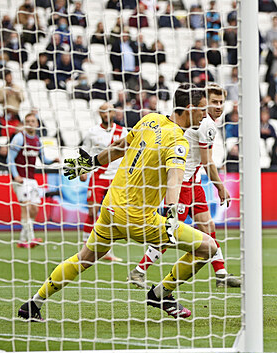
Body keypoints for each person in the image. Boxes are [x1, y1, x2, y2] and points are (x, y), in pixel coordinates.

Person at [17, 84, 218, 321]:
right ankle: (161, 293)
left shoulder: (150, 120)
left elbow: (120, 146)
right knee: (209, 247)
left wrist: (91, 162)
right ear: (189, 108)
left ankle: (33, 303)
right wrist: (171, 216)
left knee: (84, 258)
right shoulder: (179, 141)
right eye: (202, 110)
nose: (205, 115)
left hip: (111, 208)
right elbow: (175, 178)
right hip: (139, 218)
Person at [128, 84, 239, 289]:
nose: (218, 106)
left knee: (208, 226)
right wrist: (220, 187)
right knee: (171, 231)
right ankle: (139, 270)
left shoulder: (205, 124)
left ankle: (221, 273)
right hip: (182, 183)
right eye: (213, 102)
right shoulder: (206, 125)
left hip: (194, 183)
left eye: (221, 102)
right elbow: (207, 162)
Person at [77, 102, 126, 261]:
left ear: (113, 113)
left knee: (112, 214)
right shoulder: (92, 132)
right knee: (92, 212)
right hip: (98, 176)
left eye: (109, 111)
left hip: (116, 178)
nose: (106, 114)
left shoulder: (122, 131)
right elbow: (85, 152)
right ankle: (85, 246)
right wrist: (82, 170)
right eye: (103, 111)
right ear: (99, 113)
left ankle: (107, 251)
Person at [8, 113, 60, 248]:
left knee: (35, 209)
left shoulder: (37, 140)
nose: (30, 123)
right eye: (28, 121)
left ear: (37, 124)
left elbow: (43, 160)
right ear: (25, 123)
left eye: (33, 121)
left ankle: (21, 240)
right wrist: (15, 176)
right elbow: (10, 158)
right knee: (25, 206)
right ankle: (31, 239)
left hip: (31, 179)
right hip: (20, 179)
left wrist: (52, 160)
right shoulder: (20, 138)